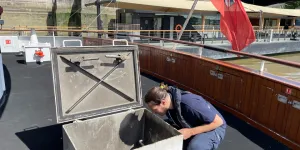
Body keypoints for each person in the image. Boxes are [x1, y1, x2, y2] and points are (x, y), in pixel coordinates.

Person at [145, 83, 226, 150]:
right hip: (194, 124)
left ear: (163, 102)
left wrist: (190, 132)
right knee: (160, 128)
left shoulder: (189, 103)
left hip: (215, 126)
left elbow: (218, 122)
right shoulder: (169, 106)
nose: (154, 112)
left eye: (155, 109)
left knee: (195, 147)